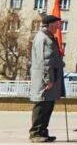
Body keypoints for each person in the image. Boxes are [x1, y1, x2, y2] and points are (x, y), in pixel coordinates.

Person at [28, 13, 64, 143]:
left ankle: (43, 131)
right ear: (50, 24)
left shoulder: (49, 37)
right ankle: (36, 133)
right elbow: (45, 61)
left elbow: (52, 58)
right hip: (46, 80)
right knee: (42, 106)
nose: (58, 26)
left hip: (51, 78)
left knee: (48, 106)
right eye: (57, 24)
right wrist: (48, 80)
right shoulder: (44, 38)